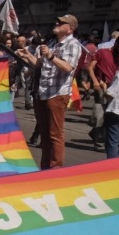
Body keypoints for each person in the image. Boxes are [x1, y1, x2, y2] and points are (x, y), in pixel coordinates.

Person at [16, 13, 82, 170]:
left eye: (62, 23)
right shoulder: (52, 43)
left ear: (70, 29)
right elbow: (39, 65)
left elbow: (67, 67)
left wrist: (51, 56)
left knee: (55, 135)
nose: (57, 23)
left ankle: (56, 169)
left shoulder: (72, 44)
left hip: (57, 94)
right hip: (42, 92)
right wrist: (27, 56)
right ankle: (45, 168)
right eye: (57, 21)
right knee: (44, 135)